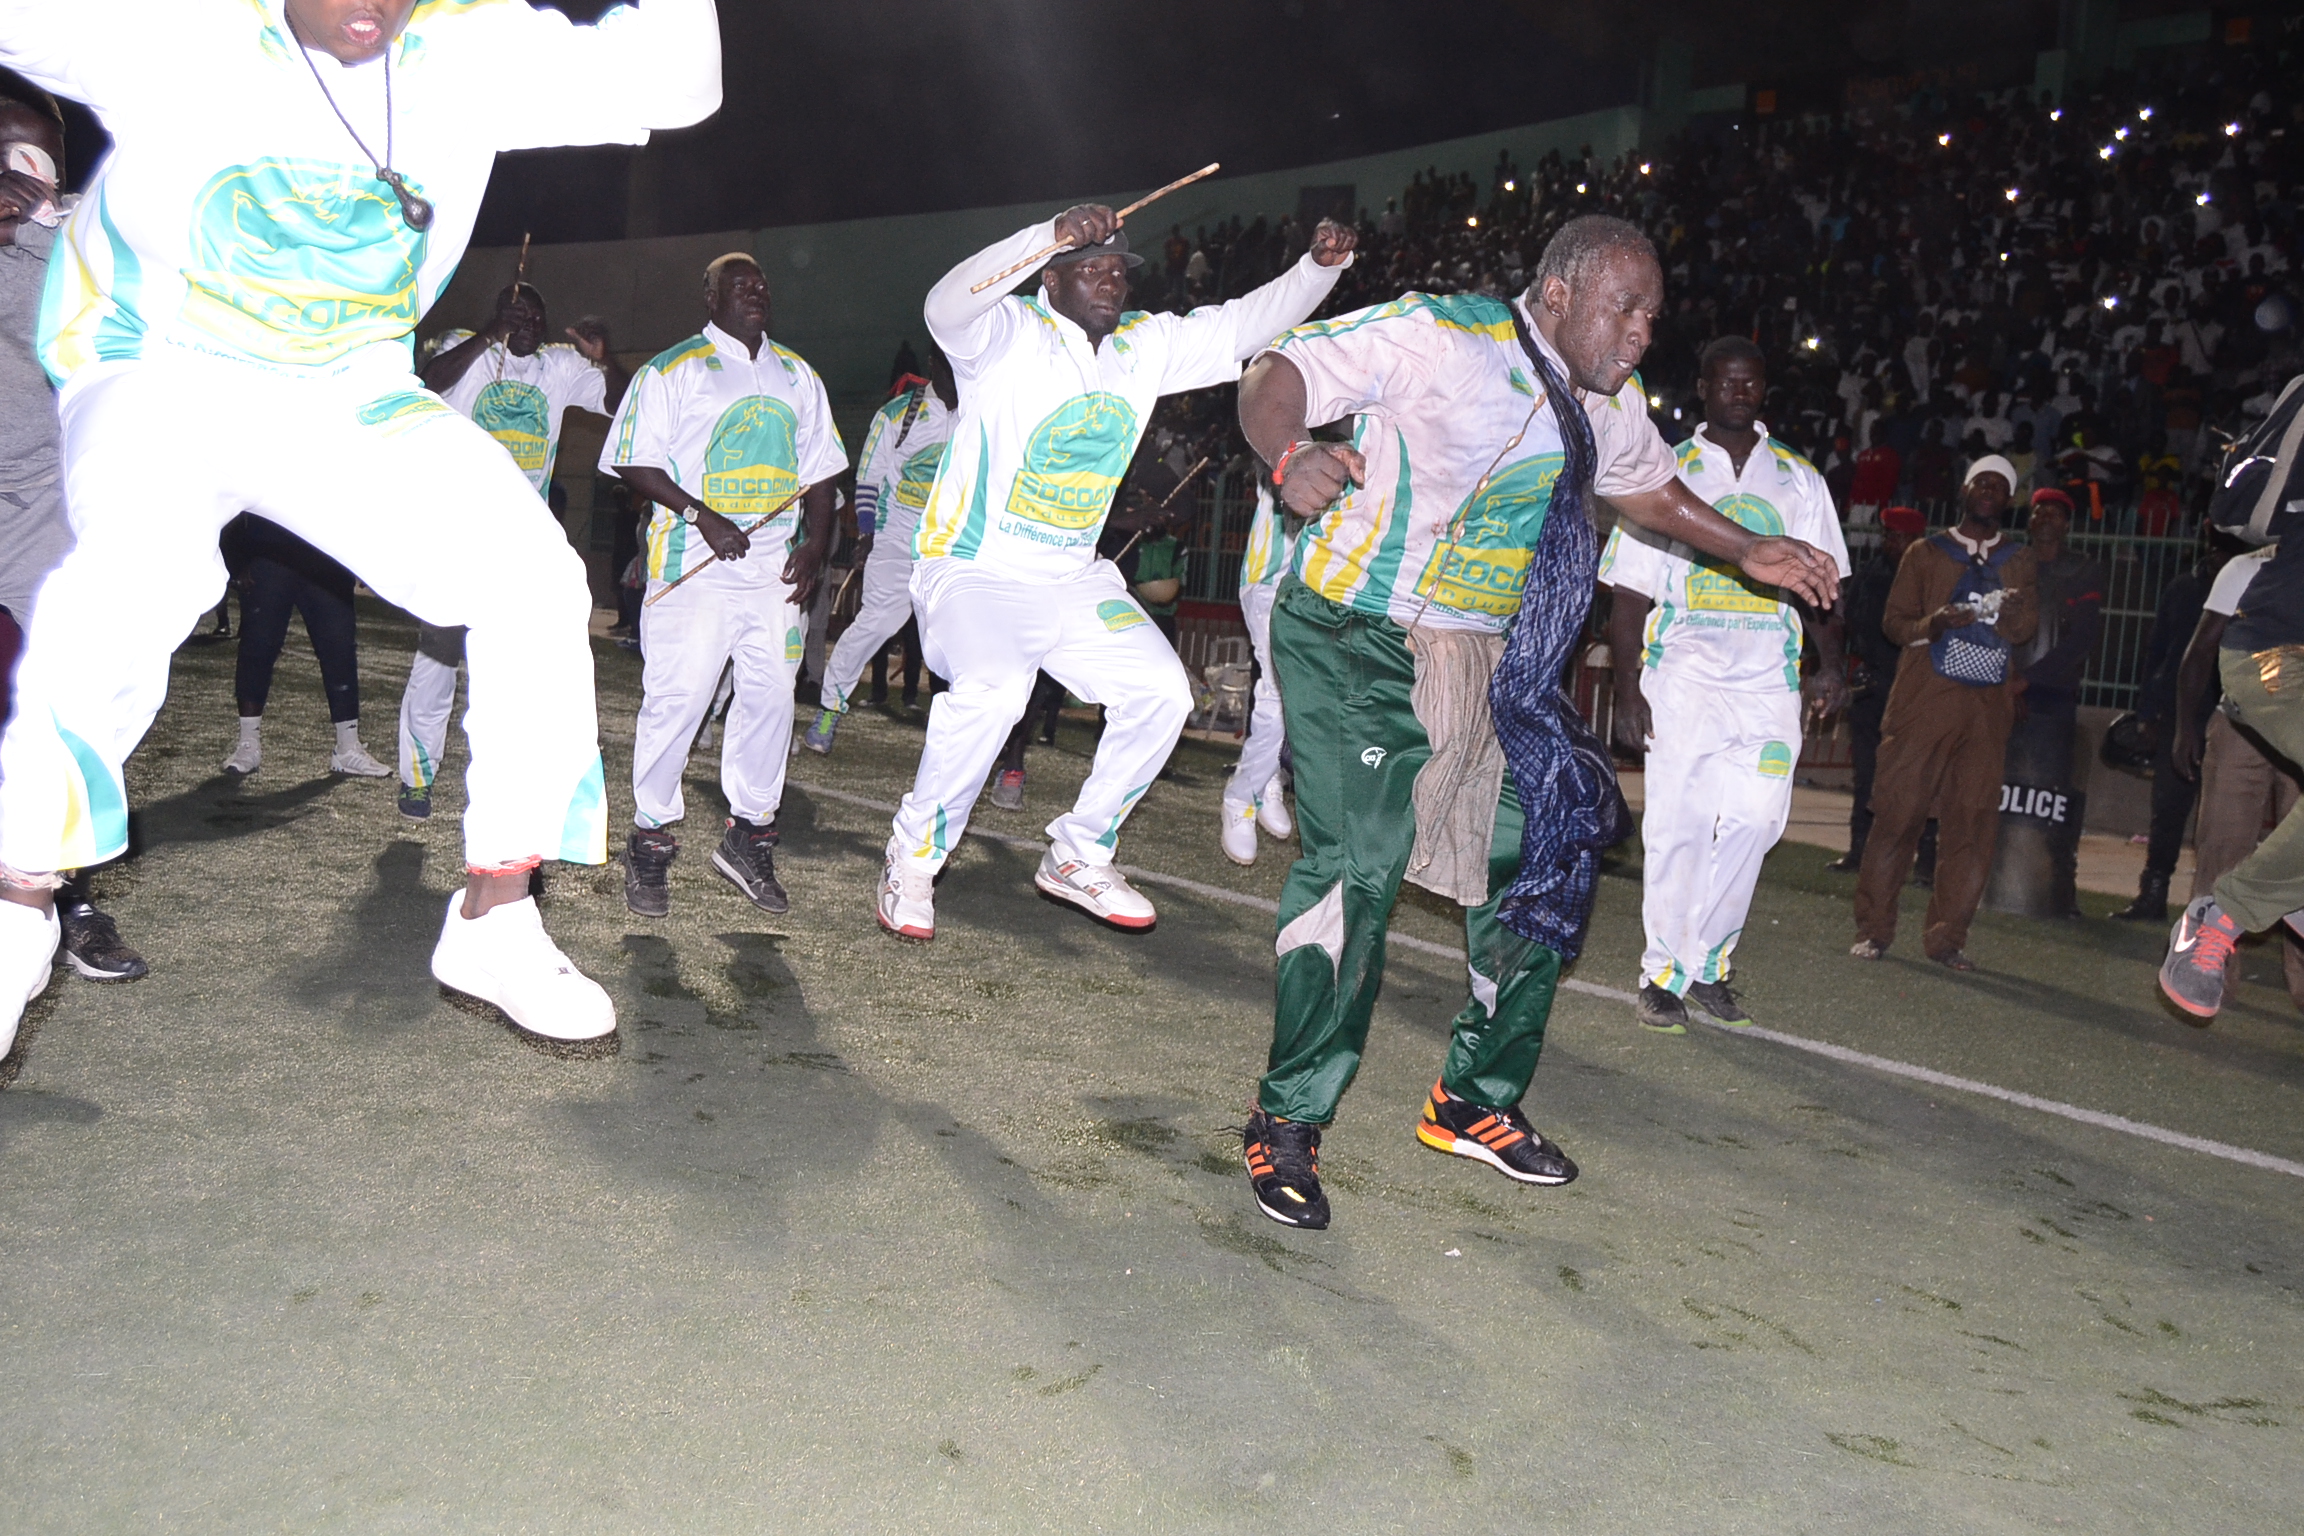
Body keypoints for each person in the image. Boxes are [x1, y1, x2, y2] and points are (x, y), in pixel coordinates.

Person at [0, 0, 724, 1061]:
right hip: (161, 363)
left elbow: (679, 84)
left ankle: (496, 912)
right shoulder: (171, 28)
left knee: (534, 576)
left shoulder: (469, 48)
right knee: (135, 568)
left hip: (344, 389)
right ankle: (19, 898)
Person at [1232, 216, 1840, 1229]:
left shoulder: (1608, 405)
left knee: (1547, 857)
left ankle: (1472, 1101)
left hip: (1486, 661)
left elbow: (1652, 489)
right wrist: (1290, 451)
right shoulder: (1440, 336)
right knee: (1361, 861)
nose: (1644, 330)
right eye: (1626, 307)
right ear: (1557, 293)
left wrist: (1750, 551)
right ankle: (1284, 1118)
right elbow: (1275, 371)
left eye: (1653, 312)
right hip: (1354, 628)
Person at [874, 203, 1356, 941]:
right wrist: (1044, 235)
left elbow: (1237, 327)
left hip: (1072, 578)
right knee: (998, 689)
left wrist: (1318, 269)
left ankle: (1079, 852)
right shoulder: (1006, 334)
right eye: (1090, 269)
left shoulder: (1143, 345)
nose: (1110, 282)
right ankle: (911, 856)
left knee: (1162, 691)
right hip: (975, 570)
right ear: (1053, 279)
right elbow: (944, 303)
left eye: (1117, 272)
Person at [1604, 336, 1851, 1032]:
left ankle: (1708, 960)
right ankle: (1662, 972)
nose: (1738, 393)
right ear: (1704, 389)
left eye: (1750, 382)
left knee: (1756, 822)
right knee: (1678, 825)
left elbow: (1826, 589)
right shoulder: (1666, 474)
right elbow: (1628, 595)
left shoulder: (1800, 481)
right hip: (1683, 676)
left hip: (1768, 679)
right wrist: (1628, 690)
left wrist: (1830, 667)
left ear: (1762, 390)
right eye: (1725, 382)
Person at [602, 253, 845, 919]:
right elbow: (632, 460)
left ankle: (749, 834)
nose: (755, 294)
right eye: (739, 286)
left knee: (770, 702)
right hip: (693, 570)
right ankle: (650, 841)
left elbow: (821, 472)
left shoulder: (798, 374)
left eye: (762, 285)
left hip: (773, 575)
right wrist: (700, 515)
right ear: (710, 296)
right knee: (678, 703)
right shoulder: (672, 370)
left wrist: (818, 544)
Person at [0, 71, 145, 988]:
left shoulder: (82, 242)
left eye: (31, 157)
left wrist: (83, 232)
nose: (14, 175)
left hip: (41, 503)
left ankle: (63, 892)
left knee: (59, 707)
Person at [397, 280, 627, 820]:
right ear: (497, 315)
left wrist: (605, 358)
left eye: (534, 318)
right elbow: (428, 383)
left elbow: (621, 403)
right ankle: (417, 777)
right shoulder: (465, 346)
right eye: (514, 316)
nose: (525, 326)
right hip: (457, 536)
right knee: (438, 658)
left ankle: (505, 781)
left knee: (514, 664)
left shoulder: (560, 366)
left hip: (523, 543)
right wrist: (489, 334)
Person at [1851, 457, 2040, 971]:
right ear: (1965, 488)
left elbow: (2024, 632)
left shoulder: (2020, 561)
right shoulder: (1926, 553)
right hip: (1923, 701)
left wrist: (2014, 610)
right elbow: (1894, 624)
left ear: (2008, 501)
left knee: (1972, 822)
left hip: (1985, 710)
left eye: (2000, 488)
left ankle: (1948, 937)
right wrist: (1934, 622)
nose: (1989, 493)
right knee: (1897, 813)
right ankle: (1875, 928)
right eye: (1982, 482)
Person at [2164, 545, 2304, 1009]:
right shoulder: (2249, 568)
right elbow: (2201, 649)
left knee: (2295, 856)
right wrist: (2186, 727)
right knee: (2223, 843)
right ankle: (2209, 960)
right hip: (2245, 721)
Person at [803, 350, 956, 754]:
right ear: (933, 364)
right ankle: (830, 708)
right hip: (895, 539)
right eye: (950, 360)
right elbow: (868, 480)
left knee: (958, 638)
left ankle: (963, 732)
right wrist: (866, 539)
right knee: (877, 622)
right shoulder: (896, 415)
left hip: (951, 547)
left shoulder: (981, 413)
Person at [220, 513, 392, 778]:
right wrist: (235, 558)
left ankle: (347, 747)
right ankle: (248, 743)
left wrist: (364, 557)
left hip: (325, 554)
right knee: (258, 646)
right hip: (270, 549)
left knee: (339, 647)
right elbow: (240, 492)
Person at [2117, 533, 2230, 922]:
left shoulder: (2253, 587)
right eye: (2214, 543)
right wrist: (2148, 711)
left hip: (2232, 719)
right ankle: (2153, 893)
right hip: (2180, 714)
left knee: (2222, 821)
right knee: (2167, 810)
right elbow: (2159, 650)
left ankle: (2215, 907)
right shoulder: (2184, 587)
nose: (2218, 552)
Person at [2012, 487, 2105, 917]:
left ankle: (2059, 891)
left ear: (2066, 524)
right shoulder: (2013, 563)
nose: (2046, 518)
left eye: (2055, 512)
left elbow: (2081, 640)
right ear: (2030, 521)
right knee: (1988, 786)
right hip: (2002, 693)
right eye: (2038, 512)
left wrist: (2029, 681)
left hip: (2052, 696)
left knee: (2053, 796)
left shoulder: (2083, 570)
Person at [1827, 505, 1926, 873]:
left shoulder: (1929, 575)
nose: (1893, 543)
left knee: (1917, 776)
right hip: (1871, 684)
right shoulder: (1872, 572)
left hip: (1913, 687)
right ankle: (1859, 852)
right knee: (1866, 772)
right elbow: (1850, 617)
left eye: (1902, 537)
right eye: (1890, 535)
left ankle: (1924, 863)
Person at [1219, 477, 1297, 866]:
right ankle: (1241, 796)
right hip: (1272, 578)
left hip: (1324, 589)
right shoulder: (1298, 420)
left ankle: (1266, 776)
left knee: (1300, 697)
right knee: (1280, 693)